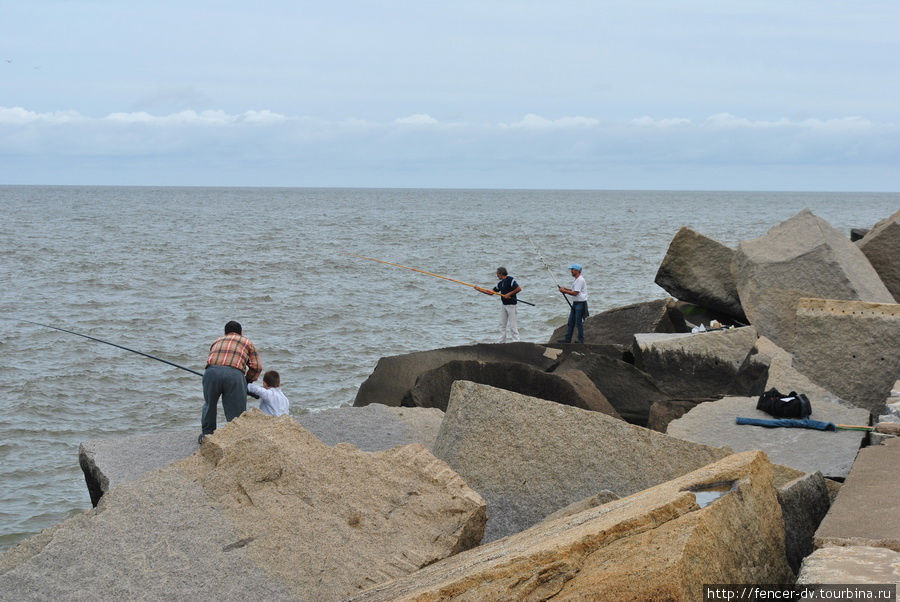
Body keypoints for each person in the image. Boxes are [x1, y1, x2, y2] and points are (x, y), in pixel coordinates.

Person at [200, 320, 261, 443]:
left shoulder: (217, 341)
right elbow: (256, 367)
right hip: (234, 374)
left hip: (211, 372)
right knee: (236, 410)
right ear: (241, 332)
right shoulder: (247, 342)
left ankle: (207, 436)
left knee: (209, 405)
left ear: (225, 332)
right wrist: (247, 381)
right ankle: (235, 438)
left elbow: (211, 359)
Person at [475, 267, 522, 343]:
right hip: (504, 305)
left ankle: (516, 342)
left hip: (511, 305)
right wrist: (479, 289)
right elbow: (491, 292)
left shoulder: (510, 279)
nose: (497, 275)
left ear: (501, 273)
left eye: (497, 274)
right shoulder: (500, 283)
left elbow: (518, 289)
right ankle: (501, 342)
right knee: (502, 325)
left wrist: (509, 294)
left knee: (513, 325)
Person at [558, 264, 588, 343]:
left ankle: (581, 340)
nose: (571, 271)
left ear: (577, 271)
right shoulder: (576, 279)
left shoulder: (580, 280)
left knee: (578, 322)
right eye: (571, 269)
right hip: (575, 303)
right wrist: (565, 289)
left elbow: (575, 293)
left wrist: (564, 291)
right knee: (570, 322)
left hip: (580, 304)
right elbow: (573, 290)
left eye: (573, 270)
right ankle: (567, 339)